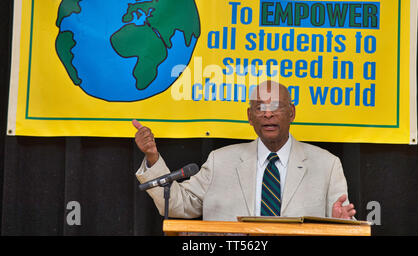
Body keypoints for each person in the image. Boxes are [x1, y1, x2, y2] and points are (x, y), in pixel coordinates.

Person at [134, 80, 356, 221]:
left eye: (276, 107)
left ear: (292, 113)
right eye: (260, 108)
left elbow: (345, 222)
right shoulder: (220, 161)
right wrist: (153, 157)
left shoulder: (327, 165)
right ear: (250, 117)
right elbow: (177, 206)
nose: (268, 114)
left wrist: (342, 224)